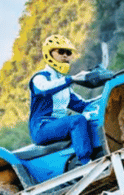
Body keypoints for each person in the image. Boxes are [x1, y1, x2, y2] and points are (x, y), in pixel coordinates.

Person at [28, 35, 94, 164]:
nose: (65, 56)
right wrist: (71, 79)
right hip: (41, 128)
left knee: (90, 118)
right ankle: (86, 164)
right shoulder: (40, 77)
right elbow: (43, 89)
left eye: (68, 53)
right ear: (49, 53)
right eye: (60, 51)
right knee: (77, 120)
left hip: (58, 125)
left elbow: (82, 105)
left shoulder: (64, 85)